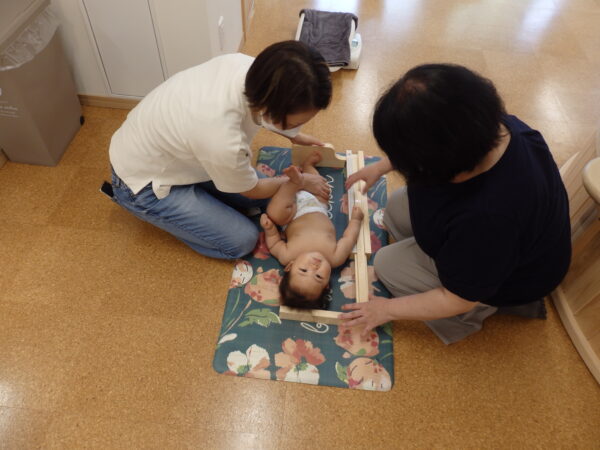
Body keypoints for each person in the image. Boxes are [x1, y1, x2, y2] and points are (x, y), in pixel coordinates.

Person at [340, 64, 571, 344]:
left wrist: (386, 310)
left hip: (513, 278)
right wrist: (382, 166)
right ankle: (441, 261)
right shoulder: (490, 128)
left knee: (388, 264)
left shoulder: (490, 219)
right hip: (487, 238)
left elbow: (458, 298)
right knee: (397, 208)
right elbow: (430, 133)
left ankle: (479, 311)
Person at [108, 41, 332, 259]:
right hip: (143, 184)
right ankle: (141, 205)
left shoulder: (249, 69)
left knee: (271, 197)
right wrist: (299, 181)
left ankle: (205, 194)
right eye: (294, 124)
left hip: (182, 153)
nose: (297, 128)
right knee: (243, 240)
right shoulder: (222, 137)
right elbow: (251, 189)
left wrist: (295, 135)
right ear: (269, 107)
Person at [260, 151, 364, 309]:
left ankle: (292, 184)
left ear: (290, 267)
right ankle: (308, 167)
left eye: (303, 270)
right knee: (323, 189)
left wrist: (270, 230)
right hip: (318, 204)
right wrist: (355, 220)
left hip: (292, 213)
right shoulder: (335, 258)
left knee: (275, 213)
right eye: (318, 276)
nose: (314, 267)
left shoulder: (288, 256)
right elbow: (348, 239)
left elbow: (274, 244)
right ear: (327, 284)